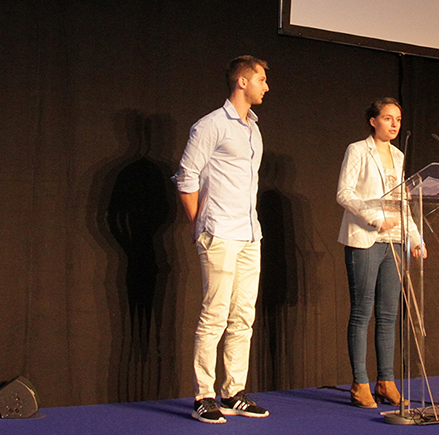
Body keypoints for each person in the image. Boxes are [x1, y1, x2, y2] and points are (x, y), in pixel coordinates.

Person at [173, 55, 271, 424]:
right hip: (219, 232)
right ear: (242, 81)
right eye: (261, 79)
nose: (266, 87)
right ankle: (204, 395)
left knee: (243, 316)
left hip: (249, 233)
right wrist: (200, 223)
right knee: (214, 315)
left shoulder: (253, 129)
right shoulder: (211, 125)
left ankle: (233, 392)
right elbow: (187, 177)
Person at [336, 98, 426, 408]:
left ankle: (386, 382)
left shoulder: (399, 156)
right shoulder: (357, 150)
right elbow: (344, 193)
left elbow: (403, 203)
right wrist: (375, 218)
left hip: (395, 242)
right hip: (365, 239)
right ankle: (360, 382)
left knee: (388, 315)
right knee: (362, 311)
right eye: (387, 118)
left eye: (398, 119)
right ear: (373, 121)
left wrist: (415, 238)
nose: (394, 124)